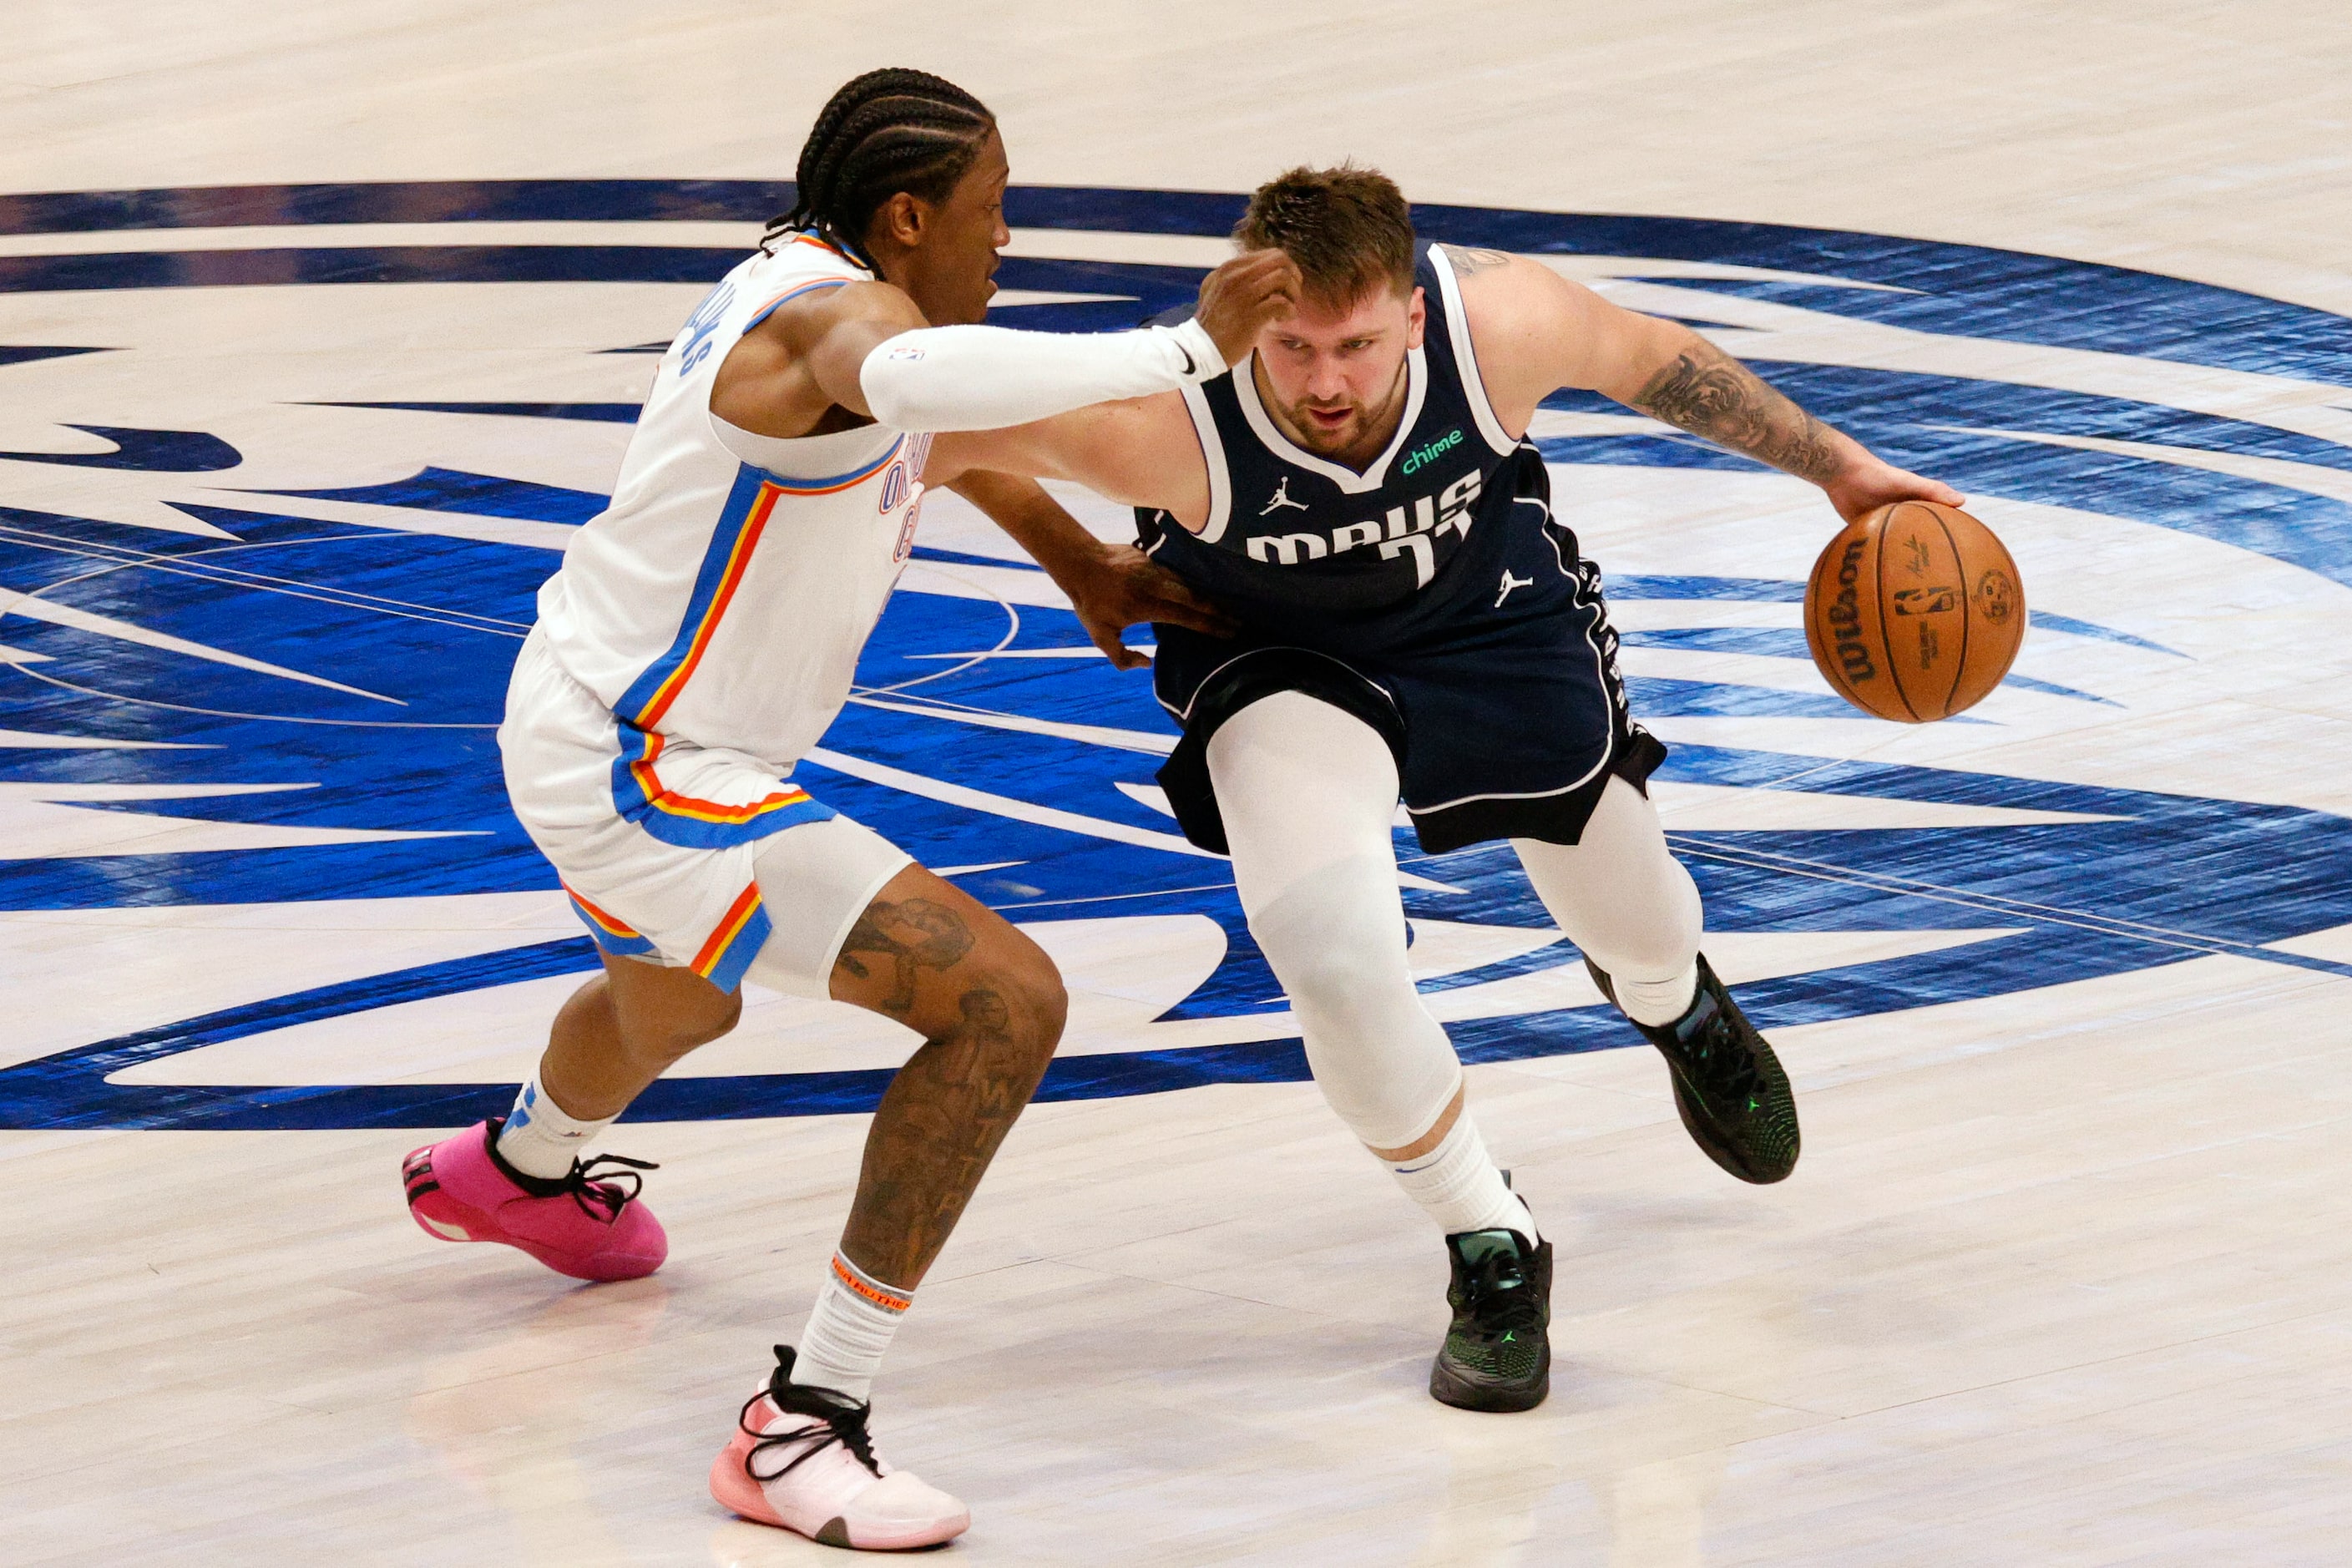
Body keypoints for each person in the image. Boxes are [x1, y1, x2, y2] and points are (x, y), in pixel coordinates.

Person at [878, 164, 1963, 1417]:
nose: (1324, 382)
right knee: (1328, 951)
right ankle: (1488, 1240)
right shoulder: (1158, 417)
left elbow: (1655, 359)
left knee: (1638, 923)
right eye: (1289, 348)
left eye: (1350, 345)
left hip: (1487, 625)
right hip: (1277, 658)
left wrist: (1835, 470)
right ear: (1245, 321)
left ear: (1407, 314)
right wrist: (1078, 560)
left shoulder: (1497, 323)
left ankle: (1675, 1006)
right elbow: (931, 436)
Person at [397, 68, 1294, 1551]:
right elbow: (929, 390)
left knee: (683, 1003)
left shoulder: (845, 304)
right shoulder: (823, 322)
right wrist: (1194, 344)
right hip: (644, 755)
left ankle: (516, 1170)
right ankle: (802, 1425)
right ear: (905, 216)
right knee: (1004, 1003)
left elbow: (927, 431)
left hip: (583, 707)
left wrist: (1076, 563)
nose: (1005, 241)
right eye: (992, 214)